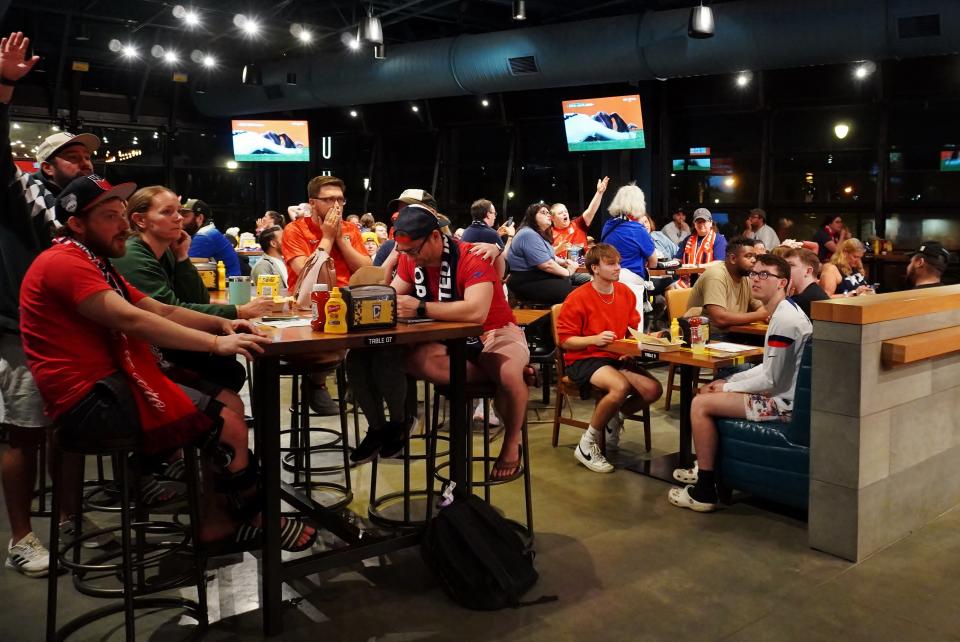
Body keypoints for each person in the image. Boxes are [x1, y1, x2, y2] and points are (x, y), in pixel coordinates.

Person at [19, 175, 316, 551]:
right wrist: (216, 342)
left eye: (121, 215)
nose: (123, 225)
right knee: (226, 424)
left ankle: (214, 518)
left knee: (229, 401)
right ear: (77, 224)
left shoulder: (93, 260)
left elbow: (158, 307)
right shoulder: (64, 261)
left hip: (110, 383)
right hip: (88, 400)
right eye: (111, 217)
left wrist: (221, 322)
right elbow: (132, 320)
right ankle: (253, 515)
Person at [0, 31, 105, 577]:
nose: (84, 162)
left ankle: (68, 518)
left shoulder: (87, 211)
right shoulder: (23, 196)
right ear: (46, 166)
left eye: (87, 154)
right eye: (72, 156)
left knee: (69, 428)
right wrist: (4, 88)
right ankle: (21, 537)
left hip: (76, 328)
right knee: (25, 431)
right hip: (22, 329)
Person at [669, 254, 812, 512]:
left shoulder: (785, 320)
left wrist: (726, 386)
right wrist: (729, 381)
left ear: (782, 283)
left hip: (784, 404)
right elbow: (769, 369)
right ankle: (703, 466)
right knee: (709, 389)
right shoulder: (782, 312)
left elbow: (771, 378)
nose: (756, 279)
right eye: (754, 274)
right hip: (781, 395)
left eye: (765, 275)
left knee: (700, 404)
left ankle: (704, 491)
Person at [395, 207, 531, 479]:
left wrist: (421, 307)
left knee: (507, 373)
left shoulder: (473, 255)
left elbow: (475, 313)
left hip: (494, 330)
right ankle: (511, 371)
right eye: (405, 252)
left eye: (414, 251)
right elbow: (392, 297)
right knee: (409, 360)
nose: (410, 258)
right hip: (447, 338)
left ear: (435, 237)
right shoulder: (409, 258)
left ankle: (511, 443)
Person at [112, 185, 273, 392]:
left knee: (228, 369)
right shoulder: (132, 255)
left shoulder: (168, 250)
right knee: (225, 370)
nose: (179, 218)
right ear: (140, 220)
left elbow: (198, 299)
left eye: (178, 211)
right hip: (142, 354)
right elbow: (168, 310)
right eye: (167, 212)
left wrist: (182, 257)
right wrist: (237, 312)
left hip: (164, 345)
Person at [557, 244, 663, 473]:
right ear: (595, 268)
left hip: (613, 356)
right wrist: (594, 339)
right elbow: (565, 340)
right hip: (583, 358)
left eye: (618, 262)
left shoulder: (623, 292)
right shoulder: (578, 297)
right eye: (611, 263)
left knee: (653, 390)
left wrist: (631, 347)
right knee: (620, 387)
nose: (618, 268)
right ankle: (587, 443)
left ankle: (613, 419)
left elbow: (631, 330)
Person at [281, 175, 370, 414]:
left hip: (349, 299)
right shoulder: (294, 230)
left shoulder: (350, 229)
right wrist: (328, 237)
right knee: (336, 334)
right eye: (329, 199)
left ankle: (361, 384)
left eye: (340, 199)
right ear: (313, 202)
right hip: (309, 304)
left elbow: (365, 269)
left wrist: (341, 239)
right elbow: (307, 275)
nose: (337, 205)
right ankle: (316, 383)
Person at [683, 236, 768, 338]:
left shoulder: (745, 277)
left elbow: (760, 307)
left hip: (732, 332)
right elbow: (720, 319)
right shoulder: (716, 276)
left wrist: (763, 313)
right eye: (748, 256)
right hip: (705, 337)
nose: (754, 260)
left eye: (755, 256)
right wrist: (760, 315)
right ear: (732, 258)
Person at [599, 185, 658, 320]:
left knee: (612, 326)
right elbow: (654, 262)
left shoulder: (607, 226)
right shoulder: (638, 229)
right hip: (631, 283)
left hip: (608, 281)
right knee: (633, 331)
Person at [506, 202, 578, 305]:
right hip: (526, 280)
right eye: (543, 212)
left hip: (538, 276)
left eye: (549, 213)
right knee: (571, 293)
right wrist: (568, 272)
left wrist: (565, 262)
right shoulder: (528, 234)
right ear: (532, 217)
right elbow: (547, 265)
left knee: (580, 282)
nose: (548, 215)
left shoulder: (539, 234)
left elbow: (550, 255)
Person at [179, 198, 244, 277]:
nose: (181, 219)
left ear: (200, 218)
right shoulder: (208, 232)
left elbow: (184, 265)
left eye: (185, 216)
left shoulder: (204, 236)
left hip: (225, 286)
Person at [550, 176, 609, 259]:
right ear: (552, 218)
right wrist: (558, 249)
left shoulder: (578, 224)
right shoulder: (547, 233)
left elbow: (591, 211)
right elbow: (542, 255)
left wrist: (599, 193)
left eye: (566, 211)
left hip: (582, 269)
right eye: (560, 213)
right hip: (559, 269)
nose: (565, 214)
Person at [783, 247, 829, 317]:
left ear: (808, 271)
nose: (784, 270)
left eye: (791, 265)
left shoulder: (803, 300)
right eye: (784, 266)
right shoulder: (815, 293)